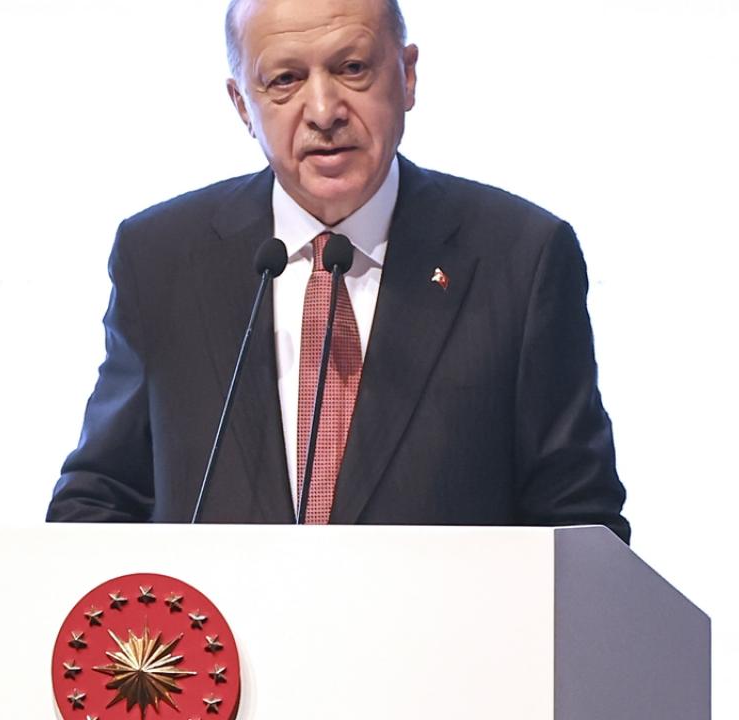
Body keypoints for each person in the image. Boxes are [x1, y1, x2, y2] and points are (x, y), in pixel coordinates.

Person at [46, 0, 630, 543]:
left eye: (352, 68)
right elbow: (99, 501)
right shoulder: (161, 258)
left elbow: (579, 526)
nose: (324, 112)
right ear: (242, 104)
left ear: (408, 76)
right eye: (285, 79)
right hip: (223, 625)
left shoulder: (521, 258)